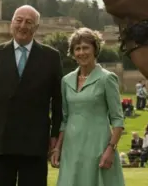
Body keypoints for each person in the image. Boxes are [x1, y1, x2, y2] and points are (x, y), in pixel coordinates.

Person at [0, 5, 63, 186]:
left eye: (29, 22)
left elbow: (58, 102)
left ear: (36, 28)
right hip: (0, 140)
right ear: (11, 24)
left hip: (35, 141)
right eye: (19, 20)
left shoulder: (51, 57)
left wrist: (55, 136)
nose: (23, 26)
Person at [51, 28, 125, 186]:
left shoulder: (107, 79)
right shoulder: (66, 81)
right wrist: (57, 148)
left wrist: (110, 149)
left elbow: (118, 120)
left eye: (86, 47)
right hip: (71, 147)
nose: (81, 52)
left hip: (98, 146)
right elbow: (64, 119)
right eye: (77, 48)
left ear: (95, 49)